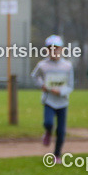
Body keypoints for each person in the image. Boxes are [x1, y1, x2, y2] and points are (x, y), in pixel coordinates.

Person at [31, 35, 74, 163]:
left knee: (61, 131)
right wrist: (42, 85)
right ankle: (48, 132)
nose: (54, 51)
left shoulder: (67, 66)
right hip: (49, 100)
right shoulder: (42, 65)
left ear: (61, 49)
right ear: (47, 50)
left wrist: (60, 91)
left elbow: (70, 86)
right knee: (48, 123)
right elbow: (34, 76)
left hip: (62, 102)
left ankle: (57, 154)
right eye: (50, 49)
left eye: (56, 48)